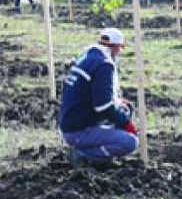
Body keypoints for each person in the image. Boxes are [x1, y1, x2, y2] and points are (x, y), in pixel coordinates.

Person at [58, 28, 139, 166]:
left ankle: (95, 150)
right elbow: (103, 107)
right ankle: (84, 155)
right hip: (78, 130)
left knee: (125, 109)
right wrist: (126, 123)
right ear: (114, 47)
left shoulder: (88, 58)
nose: (119, 53)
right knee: (130, 142)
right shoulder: (104, 65)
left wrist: (119, 106)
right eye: (120, 48)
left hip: (72, 123)